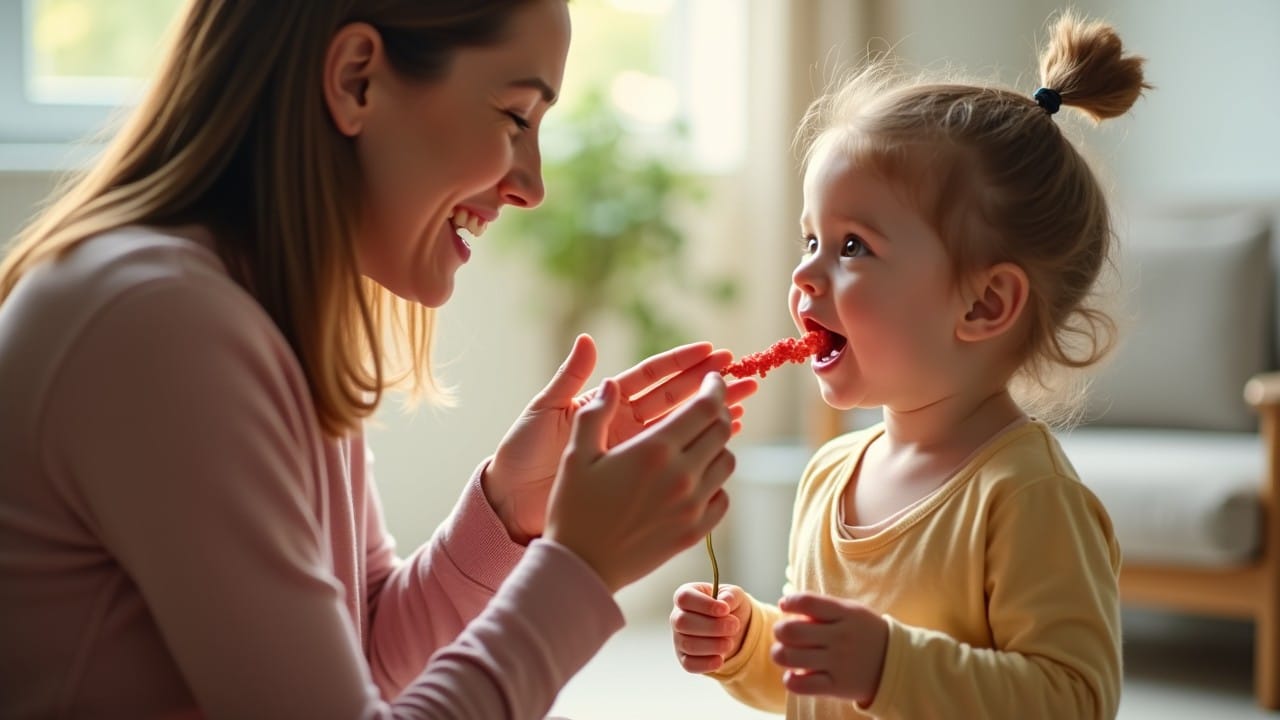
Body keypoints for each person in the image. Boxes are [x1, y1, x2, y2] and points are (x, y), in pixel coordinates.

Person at [0, 1, 758, 717]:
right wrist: (580, 566)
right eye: (515, 117)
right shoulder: (159, 326)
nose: (531, 186)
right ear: (355, 78)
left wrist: (507, 514)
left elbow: (358, 656)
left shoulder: (264, 317)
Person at [670, 11, 1148, 719]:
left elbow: (1073, 699)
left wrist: (888, 666)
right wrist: (748, 641)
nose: (804, 275)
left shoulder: (1024, 496)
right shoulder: (831, 473)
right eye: (810, 239)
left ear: (985, 304)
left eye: (852, 246)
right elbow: (818, 673)